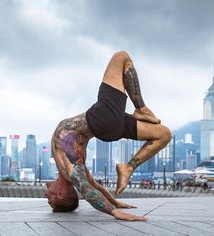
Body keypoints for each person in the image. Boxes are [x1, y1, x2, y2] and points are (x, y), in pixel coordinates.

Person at [48, 51, 172, 221]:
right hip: (100, 119)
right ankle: (141, 108)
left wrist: (114, 202)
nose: (46, 195)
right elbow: (86, 190)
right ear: (61, 195)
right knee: (121, 58)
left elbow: (94, 185)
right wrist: (114, 212)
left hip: (109, 127)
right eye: (50, 200)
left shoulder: (74, 168)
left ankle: (127, 167)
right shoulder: (67, 167)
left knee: (164, 135)